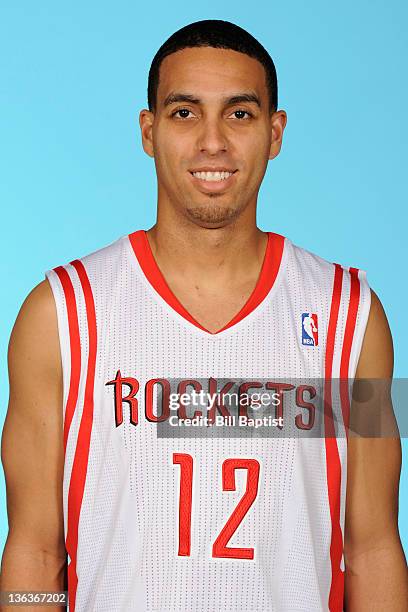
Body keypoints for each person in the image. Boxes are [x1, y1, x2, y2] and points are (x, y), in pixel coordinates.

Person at [1, 19, 407, 612]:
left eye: (239, 114)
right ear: (148, 130)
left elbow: (372, 550)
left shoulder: (349, 317)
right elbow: (35, 553)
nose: (212, 143)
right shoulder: (62, 314)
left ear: (275, 132)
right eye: (185, 112)